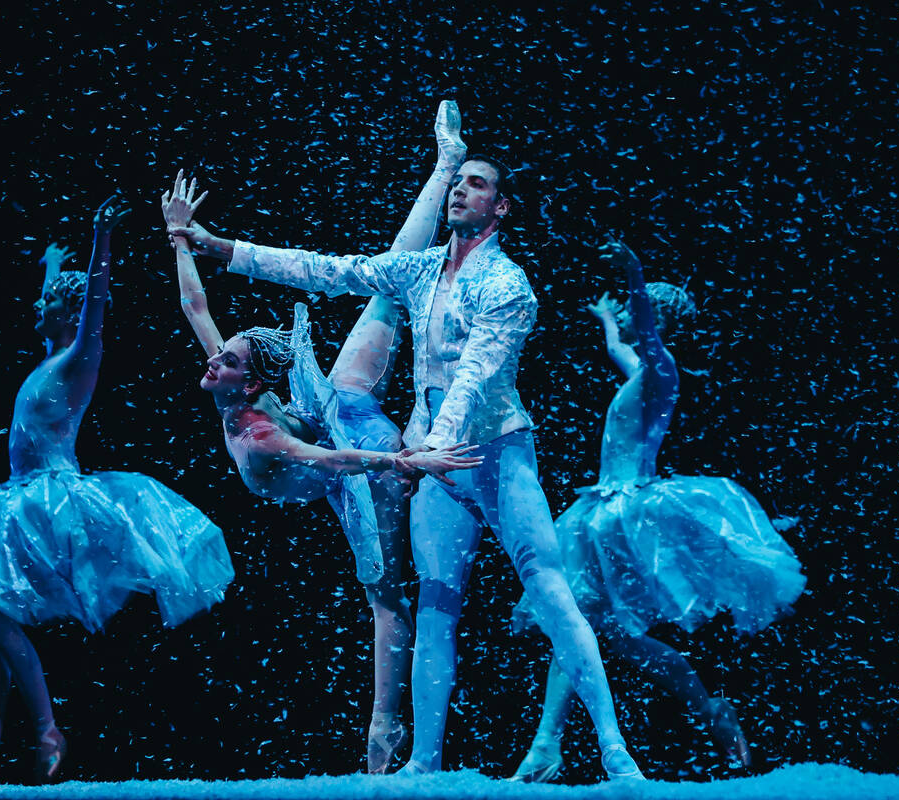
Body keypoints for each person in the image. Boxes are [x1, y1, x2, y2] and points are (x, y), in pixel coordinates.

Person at [168, 125, 647, 780]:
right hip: (427, 458)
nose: (461, 191)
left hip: (493, 451)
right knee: (436, 602)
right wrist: (217, 246)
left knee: (548, 583)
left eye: (474, 182)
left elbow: (475, 378)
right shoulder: (421, 271)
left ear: (500, 206)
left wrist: (426, 448)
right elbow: (325, 269)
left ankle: (614, 748)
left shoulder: (508, 286)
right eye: (457, 180)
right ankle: (424, 760)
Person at [161, 102, 482, 774]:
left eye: (226, 359)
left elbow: (333, 457)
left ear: (247, 387)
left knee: (385, 596)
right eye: (222, 356)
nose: (212, 358)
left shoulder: (257, 435)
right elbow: (196, 306)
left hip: (362, 460)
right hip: (337, 419)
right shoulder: (238, 395)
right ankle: (444, 175)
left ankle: (382, 736)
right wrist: (179, 235)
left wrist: (402, 458)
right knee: (392, 288)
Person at [0, 197, 237, 788]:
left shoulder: (81, 356)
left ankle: (45, 732)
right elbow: (63, 310)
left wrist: (100, 242)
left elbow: (92, 308)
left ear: (69, 311)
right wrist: (50, 269)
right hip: (16, 500)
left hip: (50, 505)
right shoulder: (50, 357)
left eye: (47, 301)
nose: (37, 306)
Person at [509, 238, 807, 782]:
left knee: (578, 623)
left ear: (657, 319)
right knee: (602, 634)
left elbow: (643, 337)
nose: (623, 312)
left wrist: (635, 274)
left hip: (626, 515)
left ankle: (545, 747)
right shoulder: (640, 375)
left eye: (628, 308)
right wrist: (605, 317)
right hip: (601, 513)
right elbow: (623, 350)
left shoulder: (663, 367)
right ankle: (710, 712)